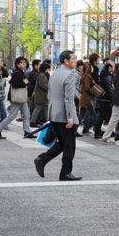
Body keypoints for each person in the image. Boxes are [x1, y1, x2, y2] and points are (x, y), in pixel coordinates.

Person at [34, 50, 82, 181]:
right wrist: (70, 117)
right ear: (66, 61)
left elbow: (50, 95)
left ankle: (42, 160)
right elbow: (69, 99)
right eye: (73, 59)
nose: (75, 61)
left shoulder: (55, 74)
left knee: (63, 143)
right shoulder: (69, 75)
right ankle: (65, 172)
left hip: (54, 112)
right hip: (64, 115)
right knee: (70, 145)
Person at [0, 57, 34, 139]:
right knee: (12, 116)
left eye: (25, 62)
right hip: (17, 98)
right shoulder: (17, 73)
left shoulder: (20, 72)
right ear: (17, 64)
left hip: (21, 98)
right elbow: (14, 84)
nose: (24, 64)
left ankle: (27, 132)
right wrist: (24, 83)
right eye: (22, 62)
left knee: (26, 115)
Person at [93, 61, 114, 139]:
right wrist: (112, 97)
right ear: (109, 68)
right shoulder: (108, 76)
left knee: (102, 115)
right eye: (112, 67)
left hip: (101, 97)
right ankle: (100, 132)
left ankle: (99, 131)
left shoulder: (102, 74)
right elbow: (109, 88)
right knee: (104, 116)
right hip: (106, 98)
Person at [78, 62, 97, 136]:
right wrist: (94, 91)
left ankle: (74, 129)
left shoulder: (85, 75)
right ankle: (97, 129)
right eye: (91, 67)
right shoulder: (87, 76)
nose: (92, 68)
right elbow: (87, 88)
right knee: (93, 114)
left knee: (81, 115)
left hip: (85, 98)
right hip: (87, 98)